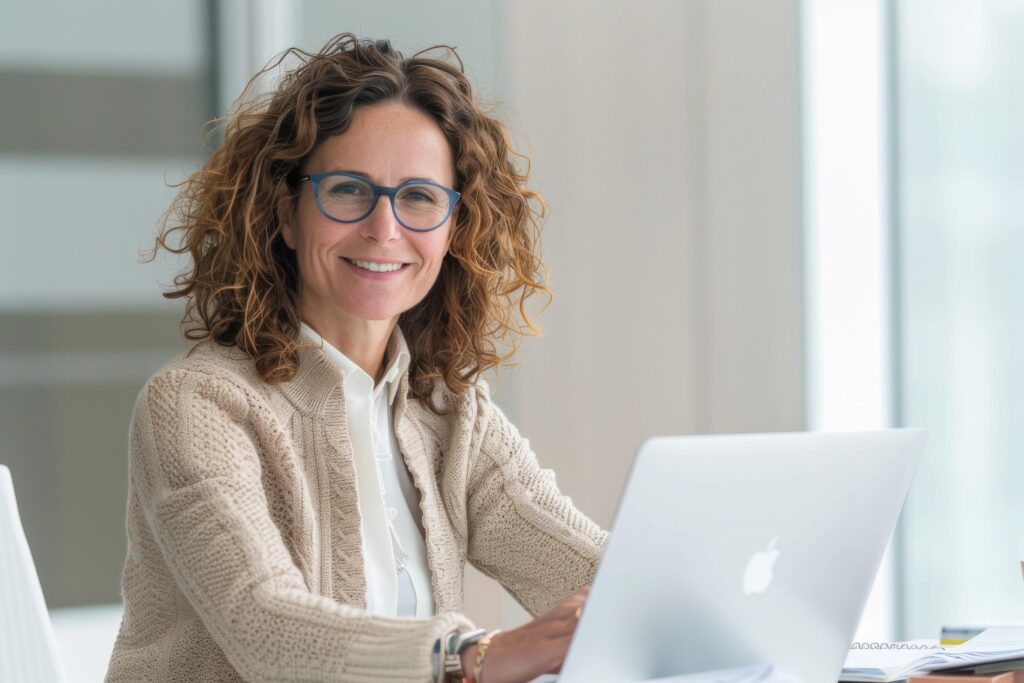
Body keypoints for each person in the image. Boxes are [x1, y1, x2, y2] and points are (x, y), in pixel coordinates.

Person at [106, 33, 607, 683]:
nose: (384, 230)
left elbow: (588, 572)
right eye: (348, 191)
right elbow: (266, 628)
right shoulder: (198, 403)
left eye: (420, 198)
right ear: (287, 214)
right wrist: (473, 656)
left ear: (455, 228)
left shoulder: (448, 409)